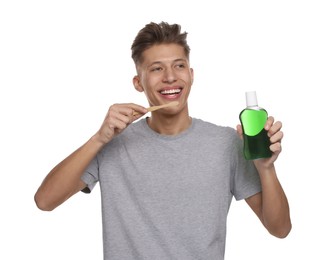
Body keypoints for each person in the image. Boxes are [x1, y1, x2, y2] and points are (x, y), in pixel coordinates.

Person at [34, 21, 291, 260]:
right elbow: (45, 201)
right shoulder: (112, 142)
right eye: (156, 69)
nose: (170, 77)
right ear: (138, 82)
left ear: (191, 75)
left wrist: (266, 168)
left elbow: (279, 229)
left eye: (179, 66)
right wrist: (98, 139)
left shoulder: (226, 143)